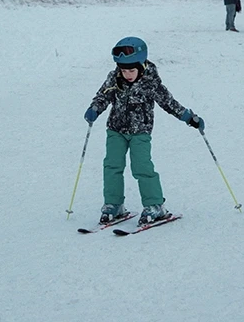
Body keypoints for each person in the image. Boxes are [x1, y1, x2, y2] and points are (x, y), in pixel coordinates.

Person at [84, 37, 204, 227]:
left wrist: (189, 117)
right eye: (124, 70)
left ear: (141, 65)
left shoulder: (150, 83)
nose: (127, 74)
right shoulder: (114, 78)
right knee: (111, 166)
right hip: (116, 129)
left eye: (131, 70)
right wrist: (94, 109)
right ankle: (114, 205)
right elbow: (103, 96)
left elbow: (168, 102)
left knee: (142, 167)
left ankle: (155, 206)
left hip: (140, 132)